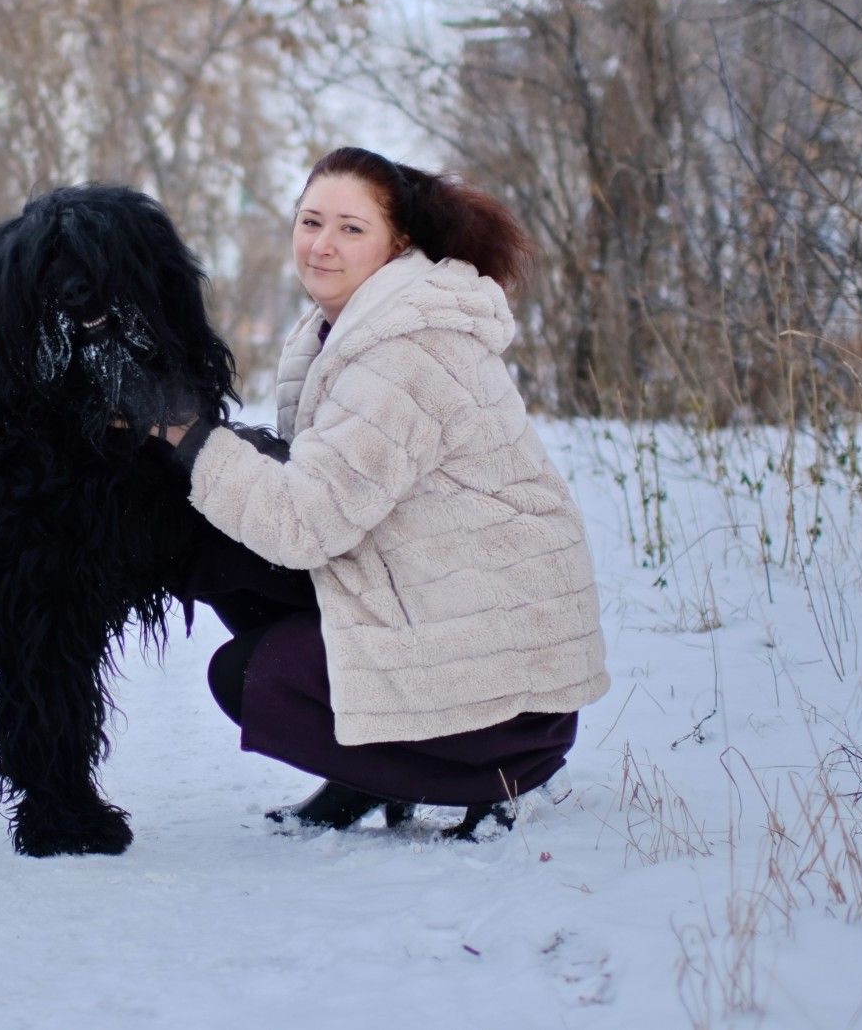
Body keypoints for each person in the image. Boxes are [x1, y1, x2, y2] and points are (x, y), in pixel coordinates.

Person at [159, 146, 610, 836]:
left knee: (253, 676)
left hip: (509, 705)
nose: (322, 245)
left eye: (350, 228)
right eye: (311, 222)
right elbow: (327, 480)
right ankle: (366, 773)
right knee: (217, 548)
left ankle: (487, 783)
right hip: (445, 620)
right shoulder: (345, 327)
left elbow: (305, 522)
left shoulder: (407, 349)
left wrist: (188, 439)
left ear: (398, 243)